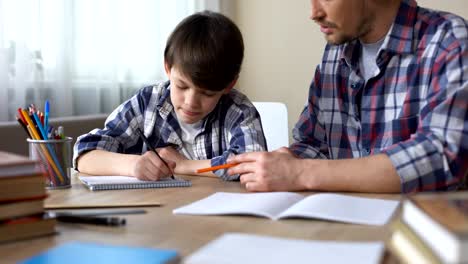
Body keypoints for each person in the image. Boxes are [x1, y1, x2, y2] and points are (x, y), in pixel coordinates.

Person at [228, 0, 467, 193]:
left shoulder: (449, 40)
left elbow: (443, 156)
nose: (314, 12)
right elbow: (315, 144)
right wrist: (284, 160)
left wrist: (300, 172)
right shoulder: (335, 53)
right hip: (343, 227)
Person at [73, 11, 267, 181]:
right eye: (182, 86)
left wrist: (184, 166)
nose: (191, 102)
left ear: (229, 85)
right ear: (167, 67)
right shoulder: (147, 103)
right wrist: (133, 165)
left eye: (207, 93)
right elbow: (84, 154)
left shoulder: (238, 111)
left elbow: (255, 165)